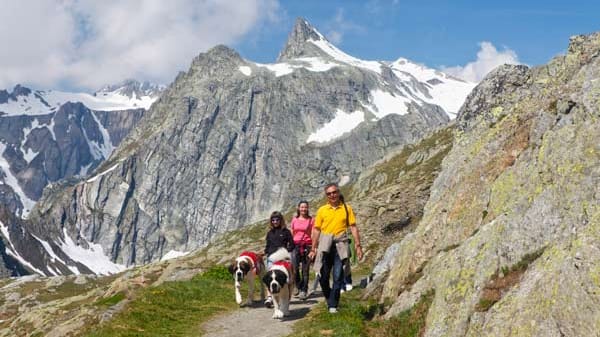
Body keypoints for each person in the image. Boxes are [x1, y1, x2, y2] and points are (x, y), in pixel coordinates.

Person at [308, 183, 363, 314]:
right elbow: (316, 230)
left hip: (341, 245)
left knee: (338, 276)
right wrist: (313, 248)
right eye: (329, 193)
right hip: (325, 245)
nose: (332, 195)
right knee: (323, 277)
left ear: (338, 192)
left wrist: (358, 245)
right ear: (326, 196)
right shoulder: (322, 210)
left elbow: (353, 227)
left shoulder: (346, 208)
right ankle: (329, 298)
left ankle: (333, 305)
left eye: (334, 192)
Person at [264, 211, 294, 308]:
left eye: (277, 219)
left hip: (282, 258)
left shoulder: (286, 232)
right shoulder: (269, 233)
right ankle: (269, 297)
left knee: (287, 278)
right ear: (271, 221)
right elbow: (267, 245)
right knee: (269, 277)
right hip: (271, 258)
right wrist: (265, 252)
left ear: (281, 220)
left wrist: (286, 252)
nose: (275, 222)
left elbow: (292, 244)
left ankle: (285, 296)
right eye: (273, 220)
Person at [290, 200, 314, 300]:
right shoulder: (294, 219)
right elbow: (292, 231)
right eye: (302, 207)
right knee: (294, 268)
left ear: (307, 208)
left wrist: (314, 247)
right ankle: (297, 286)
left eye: (305, 207)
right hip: (295, 245)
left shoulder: (311, 220)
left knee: (305, 269)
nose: (303, 209)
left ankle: (304, 290)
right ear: (299, 208)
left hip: (307, 245)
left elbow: (313, 233)